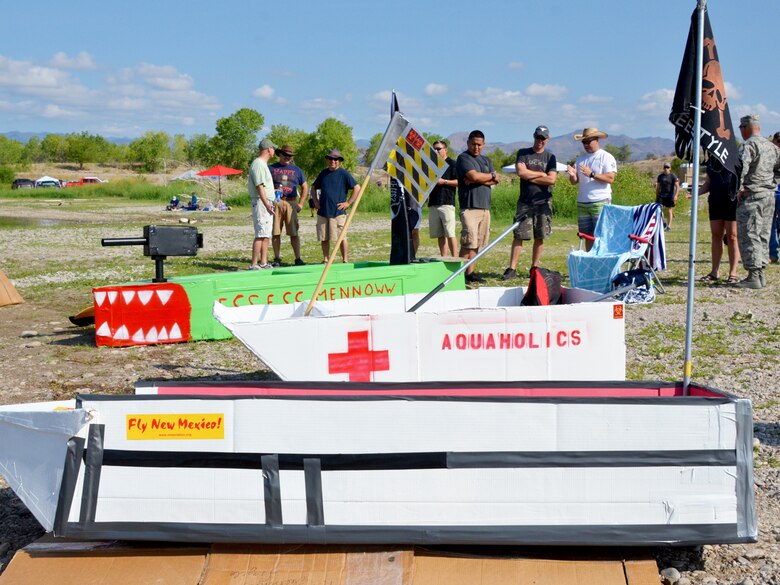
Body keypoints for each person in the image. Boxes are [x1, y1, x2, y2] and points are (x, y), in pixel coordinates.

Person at [503, 125, 557, 280]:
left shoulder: (550, 157)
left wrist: (530, 174)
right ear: (533, 136)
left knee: (539, 236)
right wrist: (541, 174)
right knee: (519, 234)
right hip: (525, 202)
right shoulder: (523, 153)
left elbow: (552, 179)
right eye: (537, 137)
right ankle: (512, 268)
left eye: (542, 138)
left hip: (543, 202)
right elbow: (520, 172)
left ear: (547, 139)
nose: (539, 141)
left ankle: (535, 267)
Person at [734, 115, 780, 289]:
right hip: (768, 196)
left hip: (752, 195)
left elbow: (741, 169)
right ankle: (760, 274)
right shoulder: (772, 147)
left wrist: (738, 189)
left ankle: (753, 275)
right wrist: (768, 182)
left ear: (745, 127)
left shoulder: (748, 145)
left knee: (749, 234)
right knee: (763, 234)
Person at [456, 130, 500, 284]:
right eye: (473, 144)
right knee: (468, 241)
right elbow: (474, 176)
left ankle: (470, 272)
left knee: (478, 242)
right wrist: (485, 177)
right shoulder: (463, 158)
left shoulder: (486, 160)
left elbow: (496, 179)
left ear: (483, 145)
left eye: (479, 144)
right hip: (469, 206)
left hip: (484, 207)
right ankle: (458, 273)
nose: (476, 147)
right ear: (468, 143)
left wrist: (481, 178)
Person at [566, 128, 617, 251]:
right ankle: (590, 259)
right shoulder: (580, 159)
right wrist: (573, 175)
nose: (586, 145)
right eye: (584, 142)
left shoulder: (606, 157)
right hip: (583, 202)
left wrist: (592, 174)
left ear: (597, 140)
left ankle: (602, 259)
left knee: (601, 234)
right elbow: (574, 182)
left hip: (600, 201)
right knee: (586, 235)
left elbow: (610, 178)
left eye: (589, 142)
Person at [311, 148, 360, 263]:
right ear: (327, 160)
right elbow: (313, 188)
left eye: (336, 159)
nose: (333, 161)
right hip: (323, 211)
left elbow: (357, 188)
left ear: (339, 161)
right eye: (331, 159)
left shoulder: (344, 174)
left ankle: (345, 260)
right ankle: (326, 259)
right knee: (324, 237)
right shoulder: (323, 173)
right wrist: (316, 201)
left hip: (338, 212)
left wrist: (348, 203)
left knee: (342, 237)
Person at [698, 158, 740, 283]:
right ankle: (714, 272)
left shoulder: (734, 156)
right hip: (715, 201)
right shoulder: (711, 161)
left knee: (732, 236)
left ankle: (733, 273)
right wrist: (695, 193)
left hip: (731, 201)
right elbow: (708, 183)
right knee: (716, 235)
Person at [269, 145, 308, 267]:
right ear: (279, 155)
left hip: (292, 202)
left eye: (290, 156)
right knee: (276, 232)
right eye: (285, 155)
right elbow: (263, 185)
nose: (287, 157)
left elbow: (305, 187)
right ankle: (277, 258)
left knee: (294, 232)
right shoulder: (271, 168)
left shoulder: (297, 170)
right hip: (276, 201)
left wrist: (301, 203)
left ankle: (298, 258)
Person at [247, 138, 277, 270]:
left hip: (266, 201)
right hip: (261, 203)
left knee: (266, 234)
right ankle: (253, 264)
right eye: (273, 148)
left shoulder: (262, 164)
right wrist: (266, 204)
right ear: (269, 149)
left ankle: (263, 262)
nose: (274, 151)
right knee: (260, 234)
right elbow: (259, 186)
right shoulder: (258, 164)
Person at [427, 140, 458, 256]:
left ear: (445, 150)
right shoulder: (431, 165)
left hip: (447, 202)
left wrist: (444, 181)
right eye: (434, 149)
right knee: (439, 234)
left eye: (438, 148)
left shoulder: (453, 164)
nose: (436, 151)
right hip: (433, 202)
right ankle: (443, 257)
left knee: (450, 233)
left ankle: (455, 258)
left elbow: (459, 182)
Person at [655, 162, 679, 231]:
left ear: (670, 168)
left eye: (667, 167)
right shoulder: (660, 176)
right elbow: (658, 187)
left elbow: (677, 187)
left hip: (670, 195)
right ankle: (663, 222)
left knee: (669, 210)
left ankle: (669, 226)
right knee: (658, 209)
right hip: (661, 195)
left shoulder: (673, 176)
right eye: (665, 167)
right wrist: (657, 195)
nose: (666, 169)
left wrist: (676, 195)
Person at [768, 131, 780, 263]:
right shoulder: (769, 155)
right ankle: (773, 253)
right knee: (771, 225)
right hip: (771, 193)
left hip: (775, 193)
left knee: (774, 225)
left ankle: (774, 253)